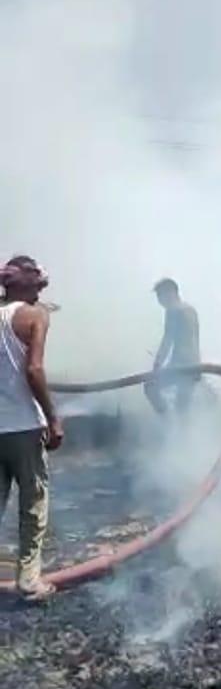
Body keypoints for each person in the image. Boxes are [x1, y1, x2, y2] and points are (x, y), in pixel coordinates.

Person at [0, 255, 64, 601]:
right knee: (33, 503)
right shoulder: (35, 316)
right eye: (37, 283)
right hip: (23, 425)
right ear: (25, 283)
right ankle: (29, 580)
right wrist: (53, 417)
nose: (41, 290)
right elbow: (34, 369)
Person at [144, 278, 201, 416]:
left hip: (181, 365)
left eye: (160, 295)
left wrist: (157, 365)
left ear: (170, 293)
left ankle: (167, 419)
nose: (159, 300)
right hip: (194, 364)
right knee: (182, 406)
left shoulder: (174, 311)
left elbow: (167, 340)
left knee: (150, 387)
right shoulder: (190, 309)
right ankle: (180, 428)